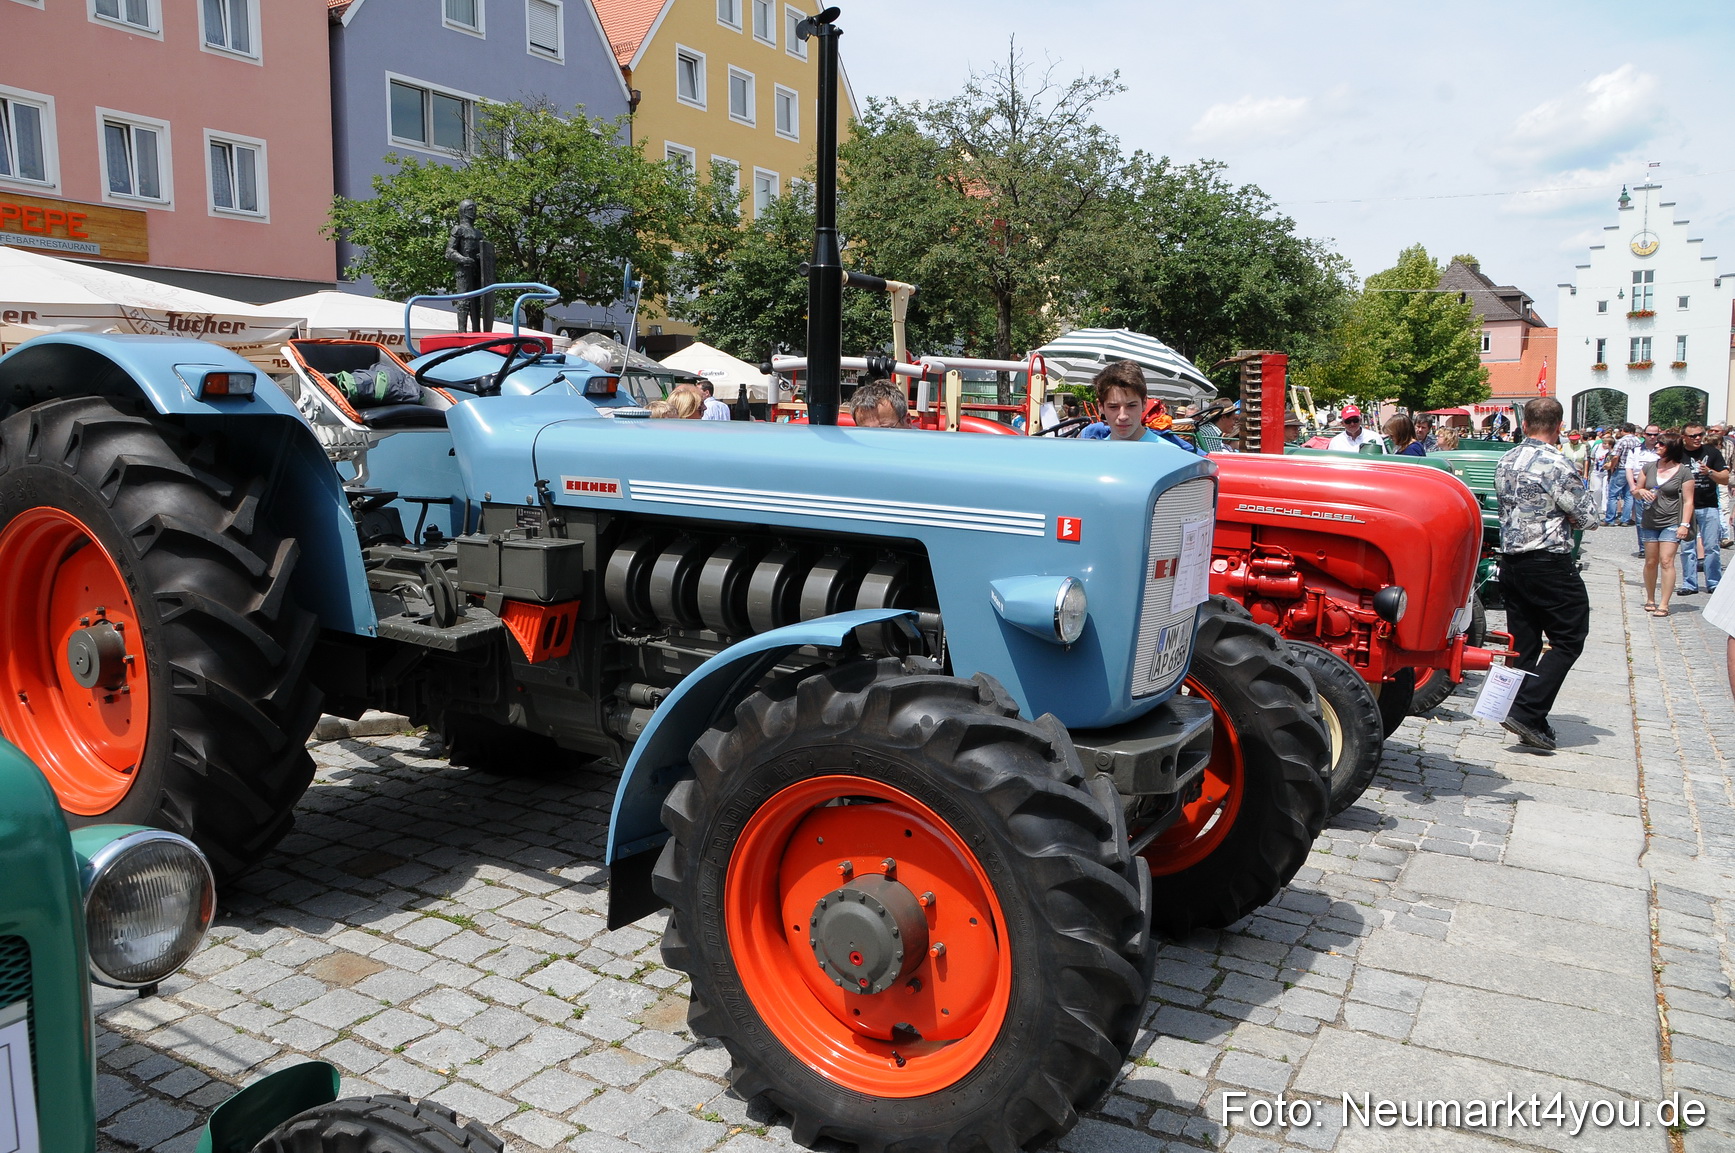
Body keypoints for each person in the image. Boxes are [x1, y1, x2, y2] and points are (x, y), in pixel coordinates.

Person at [1493, 396, 1599, 751]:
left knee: (1523, 642)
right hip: (1547, 561)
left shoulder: (1507, 459)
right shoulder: (1556, 463)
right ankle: (1527, 710)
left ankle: (1520, 712)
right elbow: (1588, 518)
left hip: (1511, 560)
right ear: (1558, 427)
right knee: (1570, 637)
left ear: (1525, 425)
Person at [1080, 361, 1204, 453]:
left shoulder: (1170, 454)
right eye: (1113, 407)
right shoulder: (1093, 454)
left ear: (1144, 402)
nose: (1123, 416)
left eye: (1131, 405)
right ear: (1100, 406)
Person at [1634, 432, 1693, 615]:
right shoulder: (1649, 467)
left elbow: (1688, 501)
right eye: (1657, 443)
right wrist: (1641, 492)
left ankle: (1664, 604)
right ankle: (1650, 598)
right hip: (1650, 520)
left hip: (1672, 521)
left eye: (1661, 444)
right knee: (1651, 561)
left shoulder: (1683, 471)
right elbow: (1636, 490)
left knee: (1667, 561)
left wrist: (1685, 524)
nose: (1657, 446)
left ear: (1671, 448)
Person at [1678, 423, 1728, 595]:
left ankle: (1714, 582)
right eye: (1693, 436)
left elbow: (1725, 478)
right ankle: (1689, 583)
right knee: (1687, 547)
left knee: (1712, 546)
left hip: (1708, 506)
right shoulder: (1678, 453)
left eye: (1700, 434)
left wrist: (1710, 472)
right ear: (1684, 437)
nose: (1698, 438)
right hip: (1685, 507)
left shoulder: (1712, 452)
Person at [1626, 424, 1663, 556]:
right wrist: (1632, 487)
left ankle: (1657, 545)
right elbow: (1629, 468)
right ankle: (1644, 548)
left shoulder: (1662, 450)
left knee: (1658, 518)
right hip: (1640, 488)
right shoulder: (1635, 451)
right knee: (1641, 519)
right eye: (1649, 434)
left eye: (1655, 434)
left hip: (1658, 488)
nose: (1652, 437)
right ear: (1644, 435)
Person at [1606, 423, 1642, 525]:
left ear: (1623, 430)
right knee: (1629, 496)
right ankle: (1625, 519)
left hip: (1621, 469)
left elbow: (1616, 456)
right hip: (1632, 470)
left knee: (1613, 495)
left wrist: (1611, 466)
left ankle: (1610, 519)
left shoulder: (1622, 441)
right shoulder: (1638, 441)